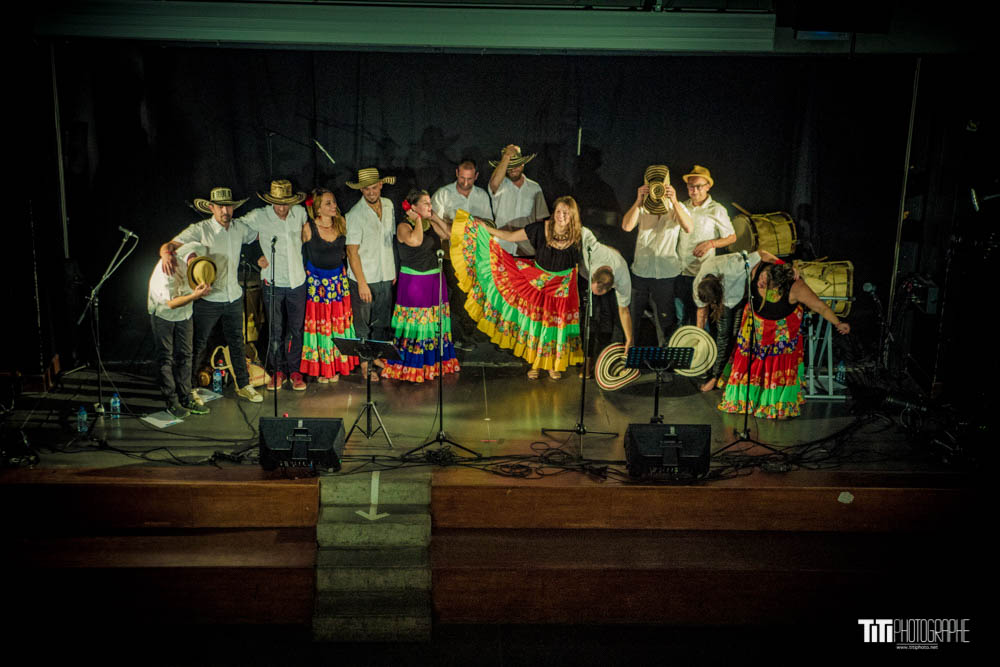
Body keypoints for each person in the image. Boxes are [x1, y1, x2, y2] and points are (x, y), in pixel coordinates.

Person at [452, 195, 584, 380]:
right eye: (559, 211)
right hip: (537, 285)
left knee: (556, 327)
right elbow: (512, 236)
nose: (561, 216)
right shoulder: (541, 228)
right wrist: (487, 229)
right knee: (536, 326)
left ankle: (552, 365)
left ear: (572, 216)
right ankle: (536, 365)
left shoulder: (579, 236)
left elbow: (584, 262)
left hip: (562, 290)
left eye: (566, 213)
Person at [159, 187, 263, 403]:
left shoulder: (239, 228)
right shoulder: (200, 229)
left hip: (232, 295)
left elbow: (261, 233)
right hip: (207, 298)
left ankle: (243, 384)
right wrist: (165, 254)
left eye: (229, 206)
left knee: (237, 341)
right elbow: (171, 244)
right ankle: (190, 388)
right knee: (198, 343)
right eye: (221, 206)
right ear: (211, 207)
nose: (226, 210)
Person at [718, 260, 850, 419]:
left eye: (766, 284)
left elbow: (820, 307)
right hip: (755, 330)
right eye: (762, 278)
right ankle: (744, 401)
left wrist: (838, 323)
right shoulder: (757, 268)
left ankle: (775, 404)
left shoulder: (796, 287)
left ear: (779, 285)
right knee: (750, 364)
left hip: (779, 335)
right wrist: (782, 263)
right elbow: (762, 252)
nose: (760, 283)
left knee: (775, 368)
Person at [381, 190, 459, 382]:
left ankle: (432, 362)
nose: (429, 206)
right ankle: (413, 365)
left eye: (429, 203)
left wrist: (434, 217)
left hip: (434, 280)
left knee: (433, 322)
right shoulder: (403, 226)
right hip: (415, 281)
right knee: (417, 323)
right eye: (425, 203)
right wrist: (417, 219)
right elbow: (415, 241)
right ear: (412, 207)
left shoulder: (429, 222)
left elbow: (449, 234)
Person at [242, 179, 309, 391]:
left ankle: (295, 370)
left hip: (297, 280)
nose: (282, 208)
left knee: (296, 328)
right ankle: (277, 371)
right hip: (273, 280)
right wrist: (255, 257)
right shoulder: (260, 216)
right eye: (278, 204)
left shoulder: (299, 213)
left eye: (286, 203)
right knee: (275, 329)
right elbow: (237, 233)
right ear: (271, 202)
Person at [621, 165, 692, 346]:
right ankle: (631, 362)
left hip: (666, 275)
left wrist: (675, 201)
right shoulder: (642, 208)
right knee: (634, 318)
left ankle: (664, 365)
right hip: (641, 273)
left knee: (665, 322)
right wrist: (638, 200)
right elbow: (626, 226)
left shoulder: (677, 208)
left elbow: (688, 227)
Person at [692, 249, 780, 393]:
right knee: (723, 336)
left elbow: (763, 253)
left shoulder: (733, 267)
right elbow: (701, 312)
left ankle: (728, 374)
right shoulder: (698, 286)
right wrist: (699, 337)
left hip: (739, 296)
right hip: (726, 302)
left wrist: (785, 266)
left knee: (737, 335)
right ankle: (715, 377)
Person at [431, 159, 493, 352]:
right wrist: (452, 233)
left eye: (469, 179)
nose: (465, 183)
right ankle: (455, 335)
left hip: (475, 255)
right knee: (456, 293)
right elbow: (433, 222)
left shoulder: (481, 195)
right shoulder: (444, 194)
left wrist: (468, 224)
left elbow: (489, 224)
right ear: (456, 173)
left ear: (476, 176)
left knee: (470, 293)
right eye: (462, 178)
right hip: (450, 254)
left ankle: (467, 334)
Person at [299, 188, 359, 383]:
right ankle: (323, 368)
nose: (334, 206)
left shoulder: (341, 224)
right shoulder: (309, 228)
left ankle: (338, 364)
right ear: (317, 209)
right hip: (317, 285)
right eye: (328, 203)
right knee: (320, 325)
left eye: (333, 202)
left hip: (337, 283)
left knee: (337, 324)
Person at [147, 242, 213, 418]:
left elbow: (172, 244)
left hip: (185, 313)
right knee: (165, 357)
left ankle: (186, 397)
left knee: (186, 354)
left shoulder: (198, 252)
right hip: (164, 313)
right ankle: (172, 401)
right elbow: (171, 303)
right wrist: (195, 295)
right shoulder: (169, 270)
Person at [345, 168, 397, 383]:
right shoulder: (355, 214)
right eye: (366, 188)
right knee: (363, 323)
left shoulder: (388, 205)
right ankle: (365, 365)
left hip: (385, 273)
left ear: (381, 186)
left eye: (374, 187)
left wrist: (391, 269)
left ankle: (375, 358)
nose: (370, 192)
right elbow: (352, 251)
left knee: (381, 322)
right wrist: (362, 284)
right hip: (364, 276)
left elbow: (389, 240)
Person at [676, 165, 736, 325]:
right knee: (682, 318)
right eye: (691, 186)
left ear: (708, 186)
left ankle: (702, 348)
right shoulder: (683, 207)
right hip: (681, 272)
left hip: (701, 272)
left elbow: (732, 237)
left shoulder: (716, 209)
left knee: (701, 318)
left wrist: (711, 243)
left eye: (699, 186)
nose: (694, 190)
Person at [579, 227, 633, 378]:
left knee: (609, 317)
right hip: (584, 268)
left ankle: (610, 359)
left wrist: (629, 338)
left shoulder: (622, 278)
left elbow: (624, 311)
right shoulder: (595, 250)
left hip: (614, 263)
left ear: (610, 289)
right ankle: (587, 362)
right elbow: (581, 228)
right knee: (589, 319)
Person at [488, 144, 549, 256]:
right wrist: (506, 156)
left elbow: (540, 220)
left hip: (526, 248)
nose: (513, 169)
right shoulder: (500, 186)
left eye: (516, 165)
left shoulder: (534, 188)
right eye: (509, 166)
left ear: (523, 164)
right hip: (501, 246)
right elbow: (494, 182)